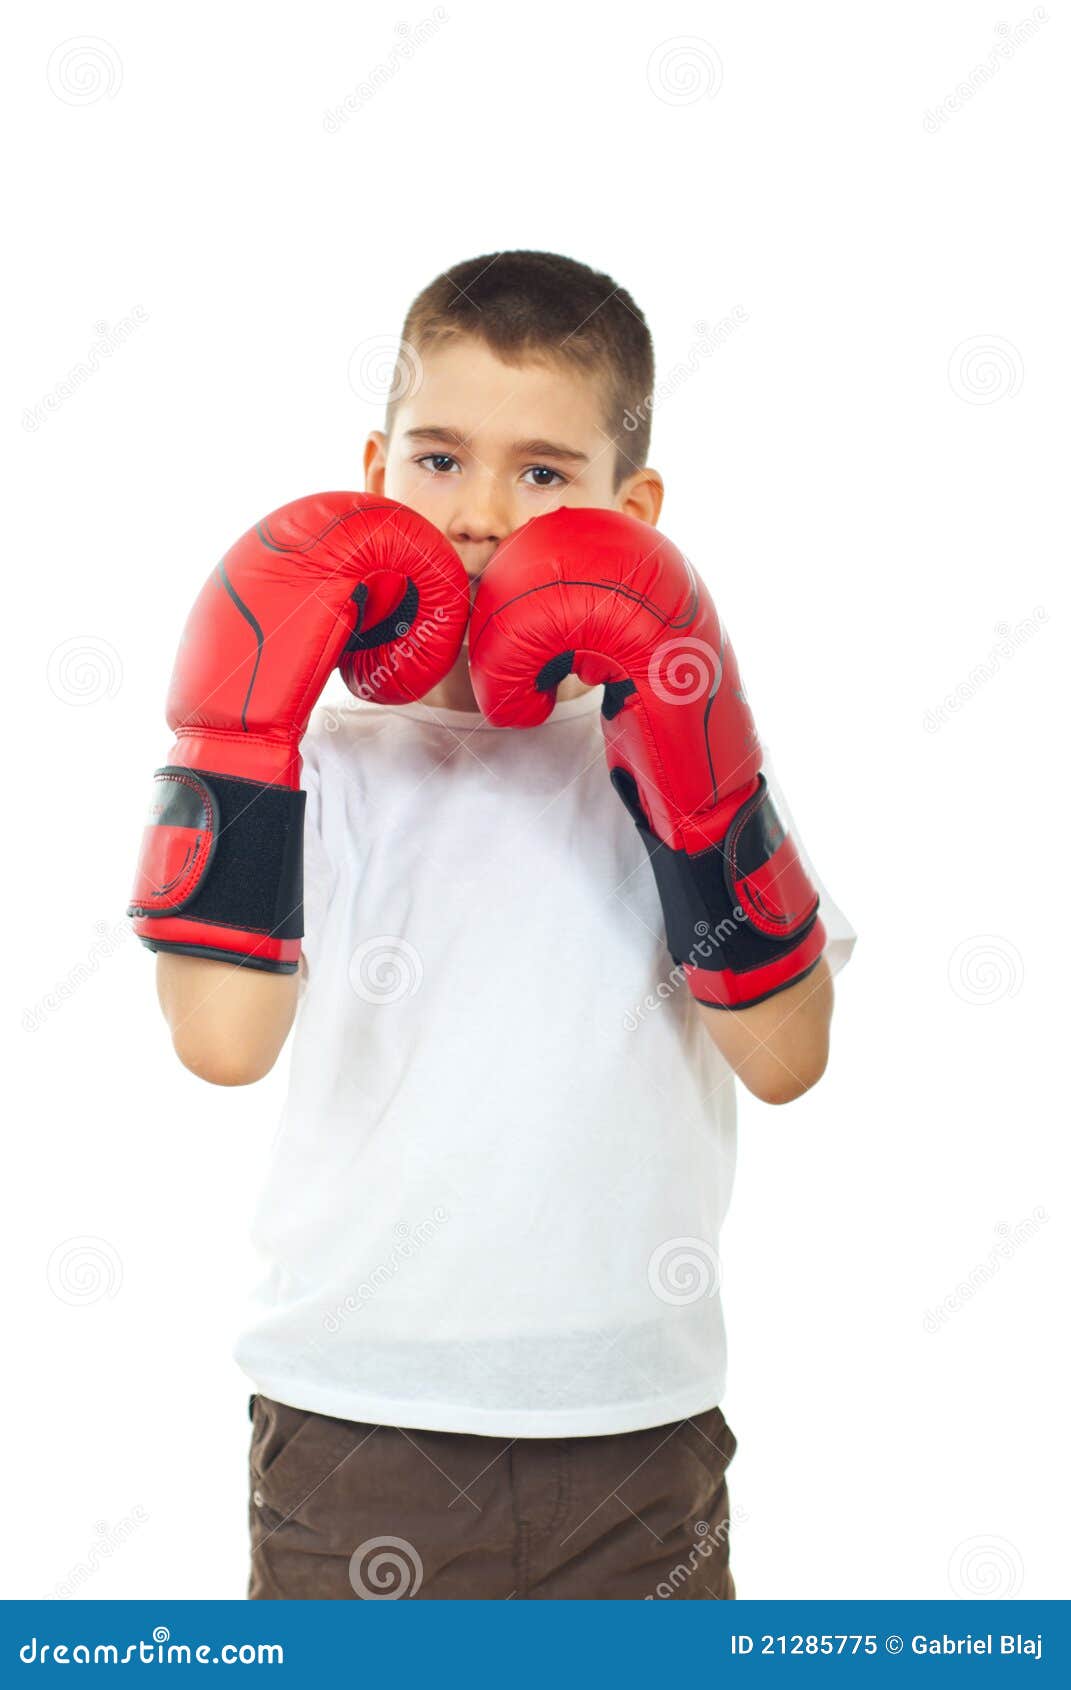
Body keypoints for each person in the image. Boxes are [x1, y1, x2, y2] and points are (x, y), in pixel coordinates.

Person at [133, 251, 856, 1600]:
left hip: (636, 1424)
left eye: (540, 472)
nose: (476, 511)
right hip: (355, 1422)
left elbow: (787, 1056)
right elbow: (223, 1043)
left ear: (629, 508)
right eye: (439, 457)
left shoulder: (678, 750)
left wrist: (699, 794)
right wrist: (235, 740)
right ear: (373, 471)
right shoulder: (326, 764)